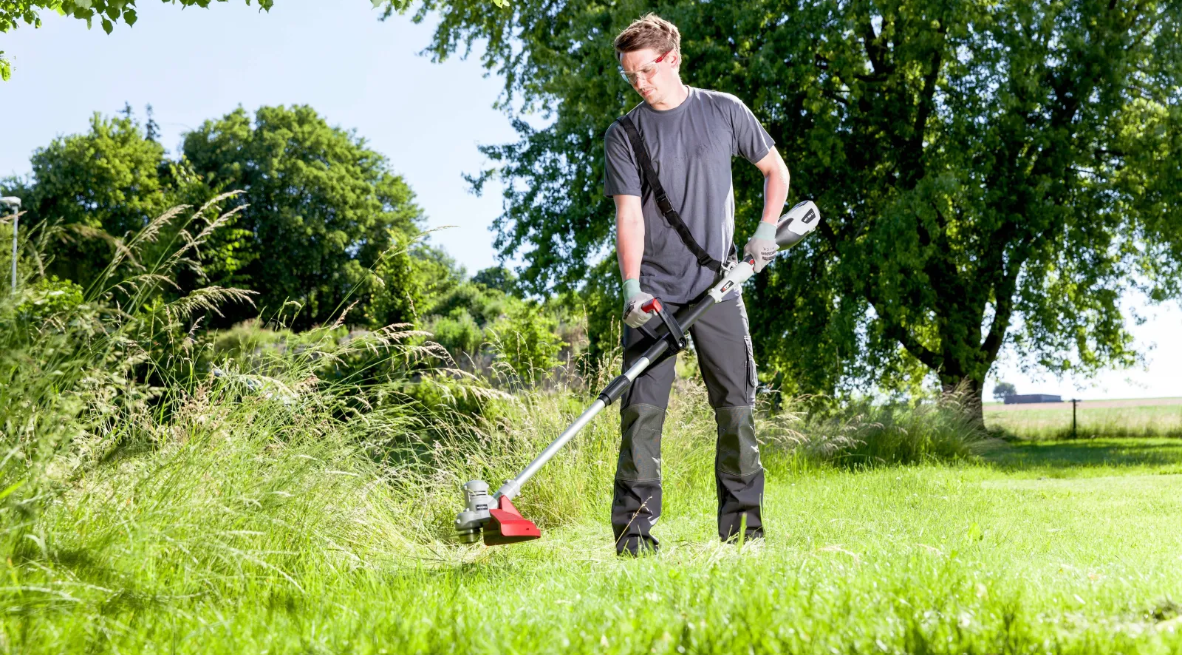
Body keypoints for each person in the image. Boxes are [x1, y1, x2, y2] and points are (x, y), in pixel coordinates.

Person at [603, 14, 790, 556]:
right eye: (629, 75)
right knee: (642, 413)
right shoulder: (626, 133)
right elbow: (630, 217)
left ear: (672, 59)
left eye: (646, 70)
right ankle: (634, 539)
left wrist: (763, 231)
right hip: (655, 296)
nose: (639, 82)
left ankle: (743, 534)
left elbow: (774, 172)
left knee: (736, 407)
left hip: (719, 286)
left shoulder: (724, 111)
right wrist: (632, 287)